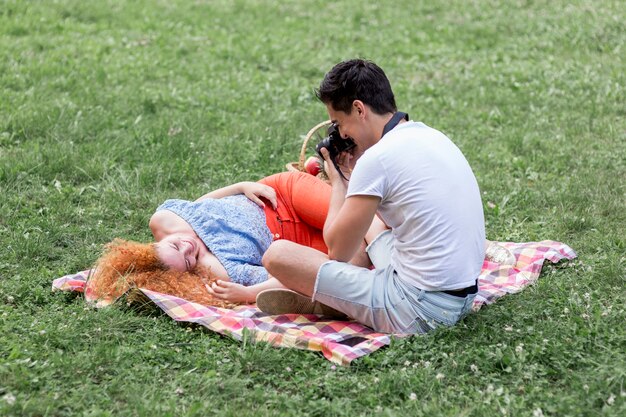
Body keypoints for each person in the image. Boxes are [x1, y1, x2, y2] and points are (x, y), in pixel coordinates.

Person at [257, 59, 488, 334]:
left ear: (358, 109)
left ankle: (338, 303)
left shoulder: (377, 160)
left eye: (339, 123)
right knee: (373, 229)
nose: (341, 134)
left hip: (419, 311)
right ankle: (343, 301)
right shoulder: (430, 135)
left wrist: (339, 183)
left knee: (278, 255)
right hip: (460, 298)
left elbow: (338, 252)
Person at [86, 171, 381, 307]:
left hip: (281, 196)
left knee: (370, 221)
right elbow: (288, 275)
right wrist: (250, 294)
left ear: (156, 241)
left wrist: (239, 186)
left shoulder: (163, 219)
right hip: (297, 239)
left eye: (177, 244)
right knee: (353, 253)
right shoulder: (217, 270)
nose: (189, 248)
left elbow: (200, 205)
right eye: (188, 260)